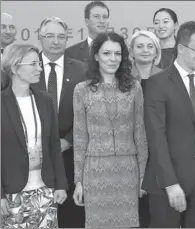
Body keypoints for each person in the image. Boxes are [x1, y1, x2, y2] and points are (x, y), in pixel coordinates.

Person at [143, 21, 195, 228]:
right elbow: (156, 138)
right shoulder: (156, 84)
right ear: (181, 49)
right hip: (166, 182)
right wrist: (170, 183)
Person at [72, 32, 148, 227]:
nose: (112, 59)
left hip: (127, 171)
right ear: (96, 56)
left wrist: (142, 176)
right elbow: (80, 138)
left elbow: (140, 134)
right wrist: (78, 181)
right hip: (95, 171)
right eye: (106, 53)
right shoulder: (82, 89)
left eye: (117, 53)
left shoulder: (134, 88)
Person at [1, 43, 68, 228]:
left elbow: (54, 145)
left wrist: (60, 184)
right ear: (15, 67)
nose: (39, 68)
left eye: (39, 63)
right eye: (33, 64)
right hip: (12, 192)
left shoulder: (44, 100)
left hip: (45, 189)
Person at [31, 16, 87, 228]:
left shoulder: (82, 70)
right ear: (39, 37)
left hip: (71, 156)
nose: (56, 41)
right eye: (50, 36)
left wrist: (69, 140)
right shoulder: (27, 66)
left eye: (61, 37)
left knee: (71, 219)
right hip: (34, 159)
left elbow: (89, 113)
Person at [129, 29, 162, 227]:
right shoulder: (121, 78)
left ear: (157, 52)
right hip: (130, 150)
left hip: (158, 149)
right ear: (131, 52)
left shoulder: (167, 77)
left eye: (150, 46)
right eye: (139, 46)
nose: (145, 50)